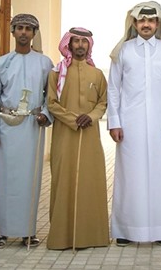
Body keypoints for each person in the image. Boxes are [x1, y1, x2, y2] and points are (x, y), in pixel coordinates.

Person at [107, 1, 161, 247]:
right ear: (135, 23)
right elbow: (114, 89)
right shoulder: (123, 51)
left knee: (159, 175)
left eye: (151, 21)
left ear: (157, 23)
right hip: (130, 126)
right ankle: (126, 230)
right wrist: (114, 122)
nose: (146, 24)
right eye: (141, 21)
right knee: (129, 176)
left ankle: (160, 231)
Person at [0, 13, 54, 249]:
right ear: (13, 32)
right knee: (4, 180)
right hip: (6, 127)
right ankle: (2, 231)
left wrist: (46, 113)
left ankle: (28, 231)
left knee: (29, 180)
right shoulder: (1, 63)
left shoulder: (45, 63)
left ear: (34, 34)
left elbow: (50, 95)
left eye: (28, 29)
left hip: (32, 127)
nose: (24, 32)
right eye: (20, 28)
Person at [46, 27, 109, 250]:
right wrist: (73, 119)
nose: (80, 45)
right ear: (69, 44)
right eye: (76, 41)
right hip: (65, 136)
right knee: (63, 181)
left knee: (91, 182)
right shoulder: (56, 72)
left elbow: (103, 102)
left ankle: (93, 236)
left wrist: (90, 117)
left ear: (89, 45)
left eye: (84, 42)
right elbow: (51, 103)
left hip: (90, 136)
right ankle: (62, 238)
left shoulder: (98, 74)